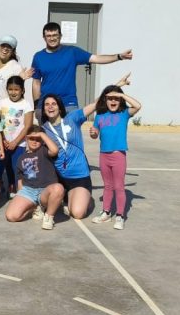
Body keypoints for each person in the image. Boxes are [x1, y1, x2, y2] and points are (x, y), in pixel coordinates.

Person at [39, 76, 130, 221]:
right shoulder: (43, 129)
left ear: (60, 107)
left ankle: (81, 199)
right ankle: (63, 197)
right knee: (44, 201)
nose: (50, 107)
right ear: (43, 110)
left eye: (54, 104)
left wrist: (117, 86)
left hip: (79, 177)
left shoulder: (72, 118)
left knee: (77, 213)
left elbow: (95, 104)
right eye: (47, 104)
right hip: (58, 178)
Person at [31, 22, 133, 109]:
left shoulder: (72, 52)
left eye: (55, 35)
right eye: (48, 36)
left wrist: (119, 56)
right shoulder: (38, 57)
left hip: (68, 103)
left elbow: (96, 58)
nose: (52, 38)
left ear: (60, 36)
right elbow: (36, 83)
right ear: (44, 38)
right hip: (46, 104)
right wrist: (37, 105)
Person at [90, 77, 142, 230]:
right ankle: (106, 212)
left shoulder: (124, 113)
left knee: (119, 186)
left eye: (116, 99)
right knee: (107, 186)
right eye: (110, 98)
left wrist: (121, 94)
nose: (113, 101)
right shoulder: (99, 116)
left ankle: (120, 215)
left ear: (120, 100)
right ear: (105, 100)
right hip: (104, 156)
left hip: (118, 155)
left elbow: (138, 105)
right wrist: (93, 133)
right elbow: (95, 134)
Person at [5, 126, 64, 230]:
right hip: (29, 191)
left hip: (45, 191)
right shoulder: (21, 158)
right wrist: (20, 195)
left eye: (38, 139)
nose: (35, 141)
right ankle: (34, 207)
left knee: (58, 188)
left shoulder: (44, 151)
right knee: (11, 216)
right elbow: (20, 181)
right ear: (26, 139)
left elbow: (55, 150)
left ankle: (48, 217)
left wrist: (42, 134)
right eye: (31, 138)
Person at [0, 76, 34, 197]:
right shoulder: (2, 104)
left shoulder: (26, 105)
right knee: (1, 167)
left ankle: (20, 191)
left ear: (22, 90)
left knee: (17, 168)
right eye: (10, 89)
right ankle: (3, 186)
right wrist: (3, 140)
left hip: (19, 144)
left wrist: (15, 142)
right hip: (3, 143)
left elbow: (28, 126)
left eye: (16, 89)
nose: (13, 92)